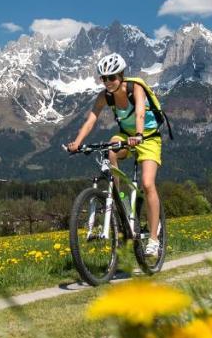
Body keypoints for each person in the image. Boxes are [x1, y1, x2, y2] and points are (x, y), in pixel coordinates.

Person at [66, 52, 163, 257]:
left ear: (121, 76)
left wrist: (138, 134)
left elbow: (140, 113)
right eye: (103, 78)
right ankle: (118, 198)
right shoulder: (105, 96)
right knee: (110, 147)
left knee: (147, 183)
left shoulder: (135, 88)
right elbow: (91, 120)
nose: (108, 82)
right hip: (126, 136)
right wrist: (77, 143)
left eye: (111, 78)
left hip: (148, 137)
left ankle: (154, 239)